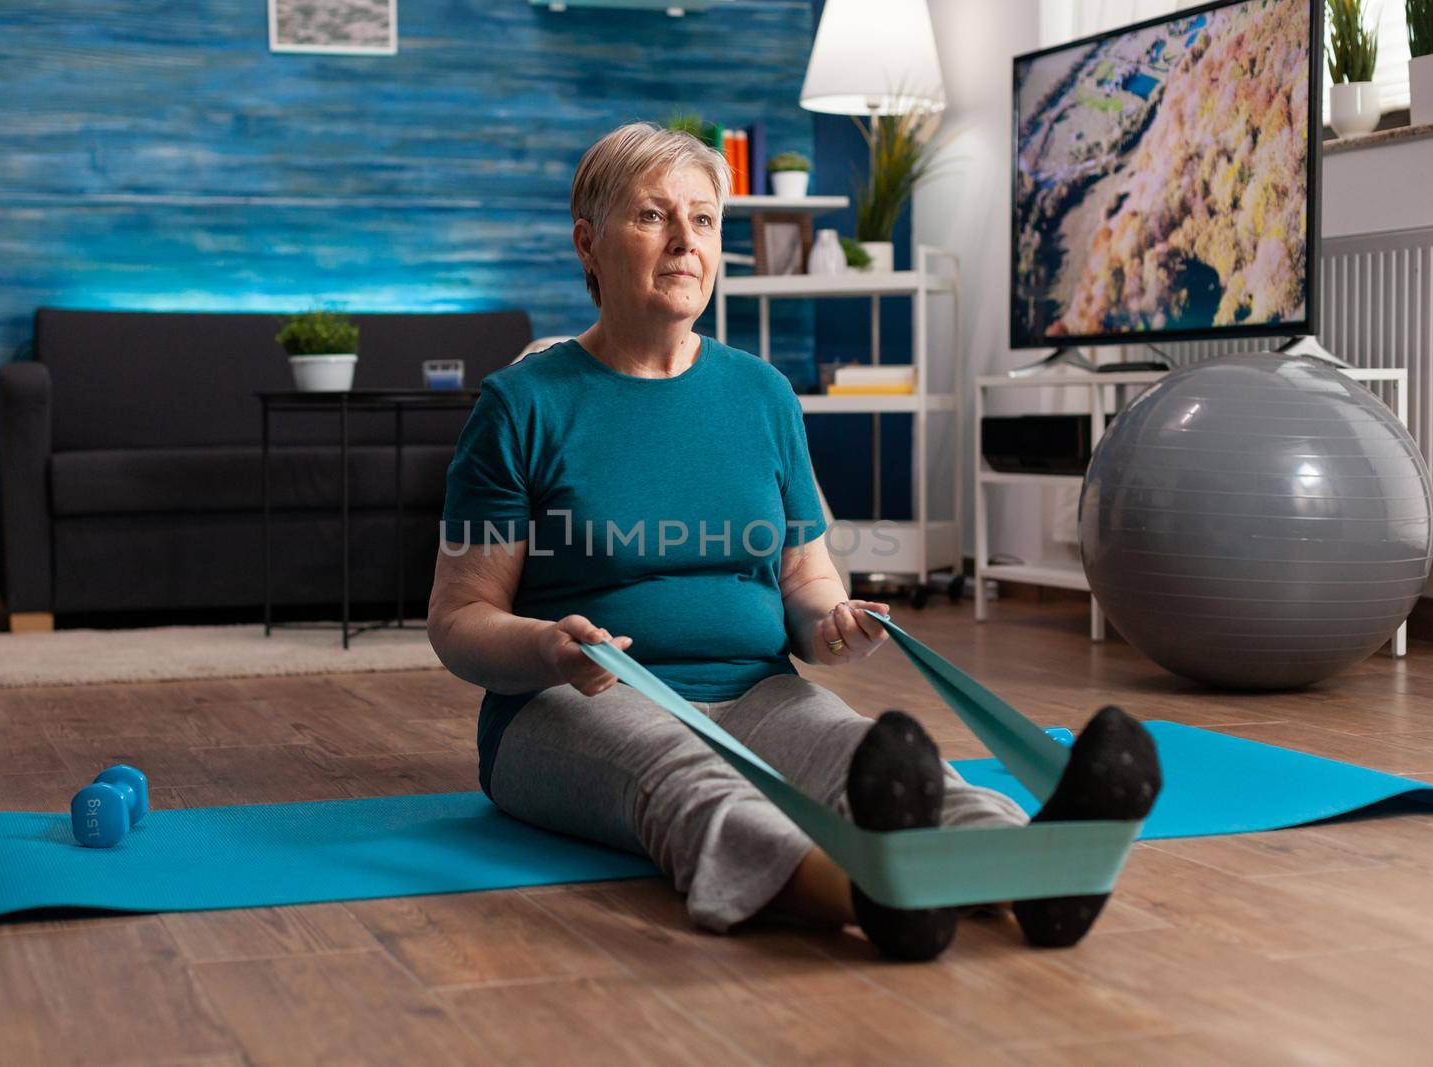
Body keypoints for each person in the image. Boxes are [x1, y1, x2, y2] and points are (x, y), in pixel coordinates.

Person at [427, 122, 1159, 961]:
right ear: (588, 244)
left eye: (702, 221)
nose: (683, 242)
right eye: (652, 217)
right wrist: (549, 648)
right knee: (686, 780)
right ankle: (872, 895)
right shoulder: (521, 406)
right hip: (569, 707)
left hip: (759, 689)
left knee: (864, 753)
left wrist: (829, 621)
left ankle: (1038, 870)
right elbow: (459, 617)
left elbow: (805, 574)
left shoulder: (762, 394)